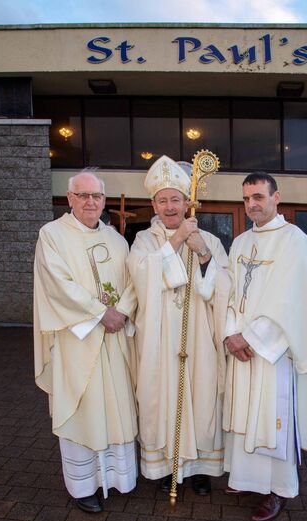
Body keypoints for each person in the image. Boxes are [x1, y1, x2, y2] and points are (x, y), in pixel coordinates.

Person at [224, 171, 307, 521]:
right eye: (246, 198)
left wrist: (249, 338)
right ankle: (246, 478)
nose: (252, 204)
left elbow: (288, 300)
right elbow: (230, 293)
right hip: (240, 346)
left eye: (258, 197)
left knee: (271, 417)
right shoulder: (239, 243)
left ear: (275, 197)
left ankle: (279, 489)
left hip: (272, 350)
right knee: (244, 413)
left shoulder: (293, 239)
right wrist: (229, 334)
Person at [33, 170, 138, 513]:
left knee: (114, 407)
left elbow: (131, 284)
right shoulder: (52, 235)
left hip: (113, 339)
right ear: (70, 198)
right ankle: (83, 487)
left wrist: (120, 312)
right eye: (83, 195)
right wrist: (99, 313)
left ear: (103, 200)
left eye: (96, 196)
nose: (91, 202)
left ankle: (117, 478)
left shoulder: (117, 241)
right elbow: (57, 284)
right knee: (83, 409)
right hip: (77, 341)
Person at [127, 155, 230, 495]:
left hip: (198, 335)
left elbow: (224, 288)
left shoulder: (210, 240)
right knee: (160, 398)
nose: (170, 206)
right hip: (159, 337)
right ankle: (164, 468)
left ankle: (197, 469)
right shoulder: (144, 240)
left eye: (176, 199)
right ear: (152, 204)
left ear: (188, 202)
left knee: (201, 398)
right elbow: (141, 276)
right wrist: (176, 241)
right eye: (163, 200)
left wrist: (202, 254)